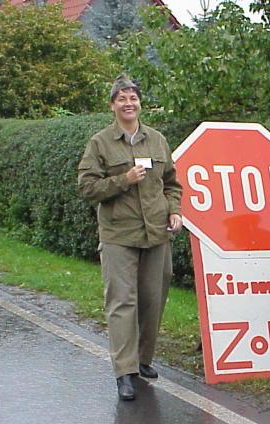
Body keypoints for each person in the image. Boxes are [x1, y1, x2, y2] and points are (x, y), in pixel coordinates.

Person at [78, 75, 183, 401]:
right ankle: (124, 371)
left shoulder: (157, 140)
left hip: (156, 233)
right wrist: (123, 179)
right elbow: (87, 187)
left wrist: (174, 210)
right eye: (121, 99)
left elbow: (172, 183)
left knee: (153, 299)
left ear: (140, 104)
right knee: (122, 302)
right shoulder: (100, 143)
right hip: (119, 235)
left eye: (133, 98)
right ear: (112, 105)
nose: (128, 103)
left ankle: (142, 360)